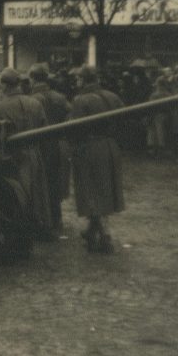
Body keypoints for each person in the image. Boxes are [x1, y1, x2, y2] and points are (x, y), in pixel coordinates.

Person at [69, 65, 124, 254]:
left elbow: (75, 129)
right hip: (110, 146)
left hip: (90, 148)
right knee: (105, 190)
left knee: (91, 191)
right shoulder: (112, 96)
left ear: (84, 80)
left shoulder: (80, 100)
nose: (76, 82)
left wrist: (73, 148)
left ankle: (105, 236)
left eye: (78, 79)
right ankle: (92, 231)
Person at [0, 68, 51, 238]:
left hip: (13, 156)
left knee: (17, 194)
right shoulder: (35, 103)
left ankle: (22, 231)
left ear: (4, 85)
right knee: (37, 191)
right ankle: (38, 226)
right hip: (34, 152)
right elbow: (44, 130)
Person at [28, 63, 71, 234]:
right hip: (59, 143)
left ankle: (44, 222)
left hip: (41, 145)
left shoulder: (33, 99)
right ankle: (56, 218)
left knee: (40, 183)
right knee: (55, 181)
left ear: (32, 78)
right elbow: (70, 115)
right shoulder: (60, 97)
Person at [146, 76, 173, 158]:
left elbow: (150, 106)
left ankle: (154, 150)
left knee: (154, 132)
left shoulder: (154, 95)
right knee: (163, 132)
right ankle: (162, 150)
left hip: (155, 114)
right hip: (165, 114)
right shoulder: (169, 94)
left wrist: (149, 116)